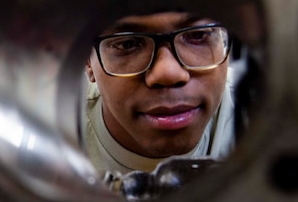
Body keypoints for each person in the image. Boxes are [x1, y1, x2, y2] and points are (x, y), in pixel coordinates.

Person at [84, 11, 236, 177]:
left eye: (198, 35)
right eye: (127, 43)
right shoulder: (59, 140)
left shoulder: (259, 113)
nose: (168, 73)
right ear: (87, 60)